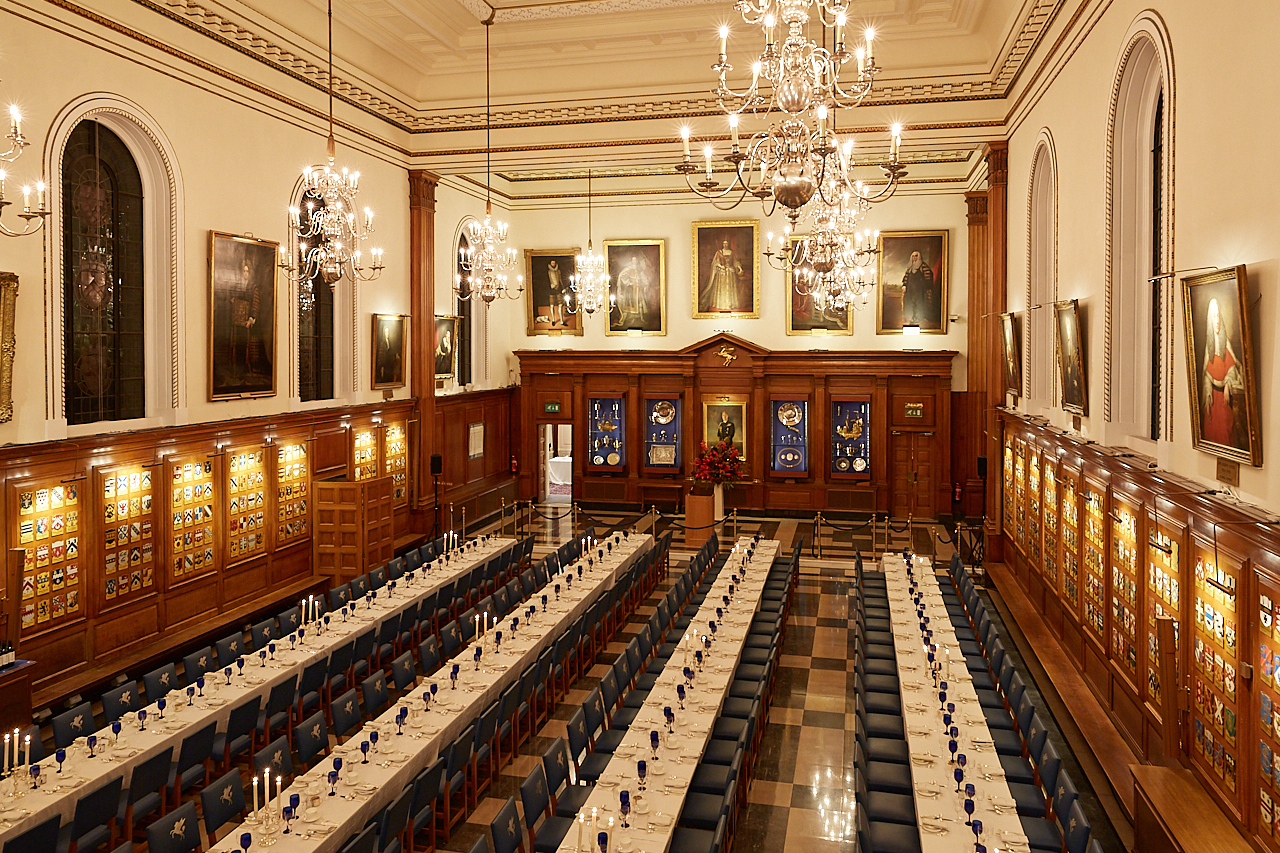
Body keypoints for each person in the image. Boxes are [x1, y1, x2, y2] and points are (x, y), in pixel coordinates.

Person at [1201, 297, 1245, 447]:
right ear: (1210, 320)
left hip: (1224, 398)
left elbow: (1232, 367)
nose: (1217, 320)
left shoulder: (1225, 343)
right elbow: (1206, 374)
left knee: (1227, 432)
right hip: (1213, 399)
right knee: (1211, 433)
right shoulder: (1208, 347)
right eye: (1214, 317)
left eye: (1218, 316)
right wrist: (1207, 394)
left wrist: (1228, 382)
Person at [701, 239, 744, 312]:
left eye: (726, 243)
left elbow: (735, 262)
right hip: (722, 273)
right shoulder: (719, 253)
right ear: (722, 244)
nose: (725, 245)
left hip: (730, 272)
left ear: (728, 244)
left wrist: (740, 269)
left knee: (730, 288)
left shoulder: (732, 253)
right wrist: (721, 266)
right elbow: (716, 263)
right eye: (724, 243)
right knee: (722, 288)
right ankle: (722, 304)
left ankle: (730, 304)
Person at [901, 249, 935, 327]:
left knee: (920, 303)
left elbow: (928, 277)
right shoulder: (910, 267)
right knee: (910, 302)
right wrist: (904, 286)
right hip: (910, 289)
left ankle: (920, 318)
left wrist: (925, 287)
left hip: (920, 290)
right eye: (913, 256)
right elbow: (906, 278)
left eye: (916, 256)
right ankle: (910, 317)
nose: (914, 258)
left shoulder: (923, 266)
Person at [614, 256, 647, 328]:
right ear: (631, 261)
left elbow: (643, 278)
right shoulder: (628, 269)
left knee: (640, 303)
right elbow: (622, 276)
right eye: (633, 260)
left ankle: (641, 318)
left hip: (638, 289)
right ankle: (631, 319)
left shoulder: (639, 270)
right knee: (630, 304)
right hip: (631, 290)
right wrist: (629, 282)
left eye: (635, 260)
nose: (634, 261)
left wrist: (645, 285)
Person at [546, 259, 565, 327]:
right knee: (552, 305)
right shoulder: (548, 272)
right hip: (551, 290)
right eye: (552, 263)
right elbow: (545, 281)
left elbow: (560, 280)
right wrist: (551, 285)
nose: (553, 264)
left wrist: (563, 288)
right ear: (550, 264)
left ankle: (561, 321)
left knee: (560, 305)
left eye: (554, 263)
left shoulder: (558, 271)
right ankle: (553, 320)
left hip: (558, 289)